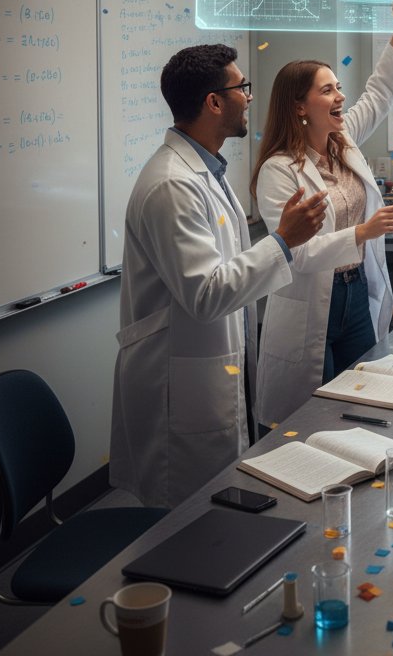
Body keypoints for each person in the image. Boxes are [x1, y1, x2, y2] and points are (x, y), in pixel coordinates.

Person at [110, 44, 326, 507]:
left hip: (206, 365)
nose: (249, 97)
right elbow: (205, 294)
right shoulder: (173, 183)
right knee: (183, 521)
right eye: (241, 88)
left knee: (213, 510)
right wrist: (283, 241)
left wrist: (282, 242)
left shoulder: (207, 168)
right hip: (179, 378)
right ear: (213, 102)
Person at [251, 0, 393, 427]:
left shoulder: (345, 142)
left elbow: (380, 90)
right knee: (313, 417)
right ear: (299, 106)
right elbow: (297, 254)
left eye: (339, 87)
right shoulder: (278, 171)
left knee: (362, 404)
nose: (340, 96)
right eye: (327, 90)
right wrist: (362, 232)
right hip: (311, 305)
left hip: (354, 293)